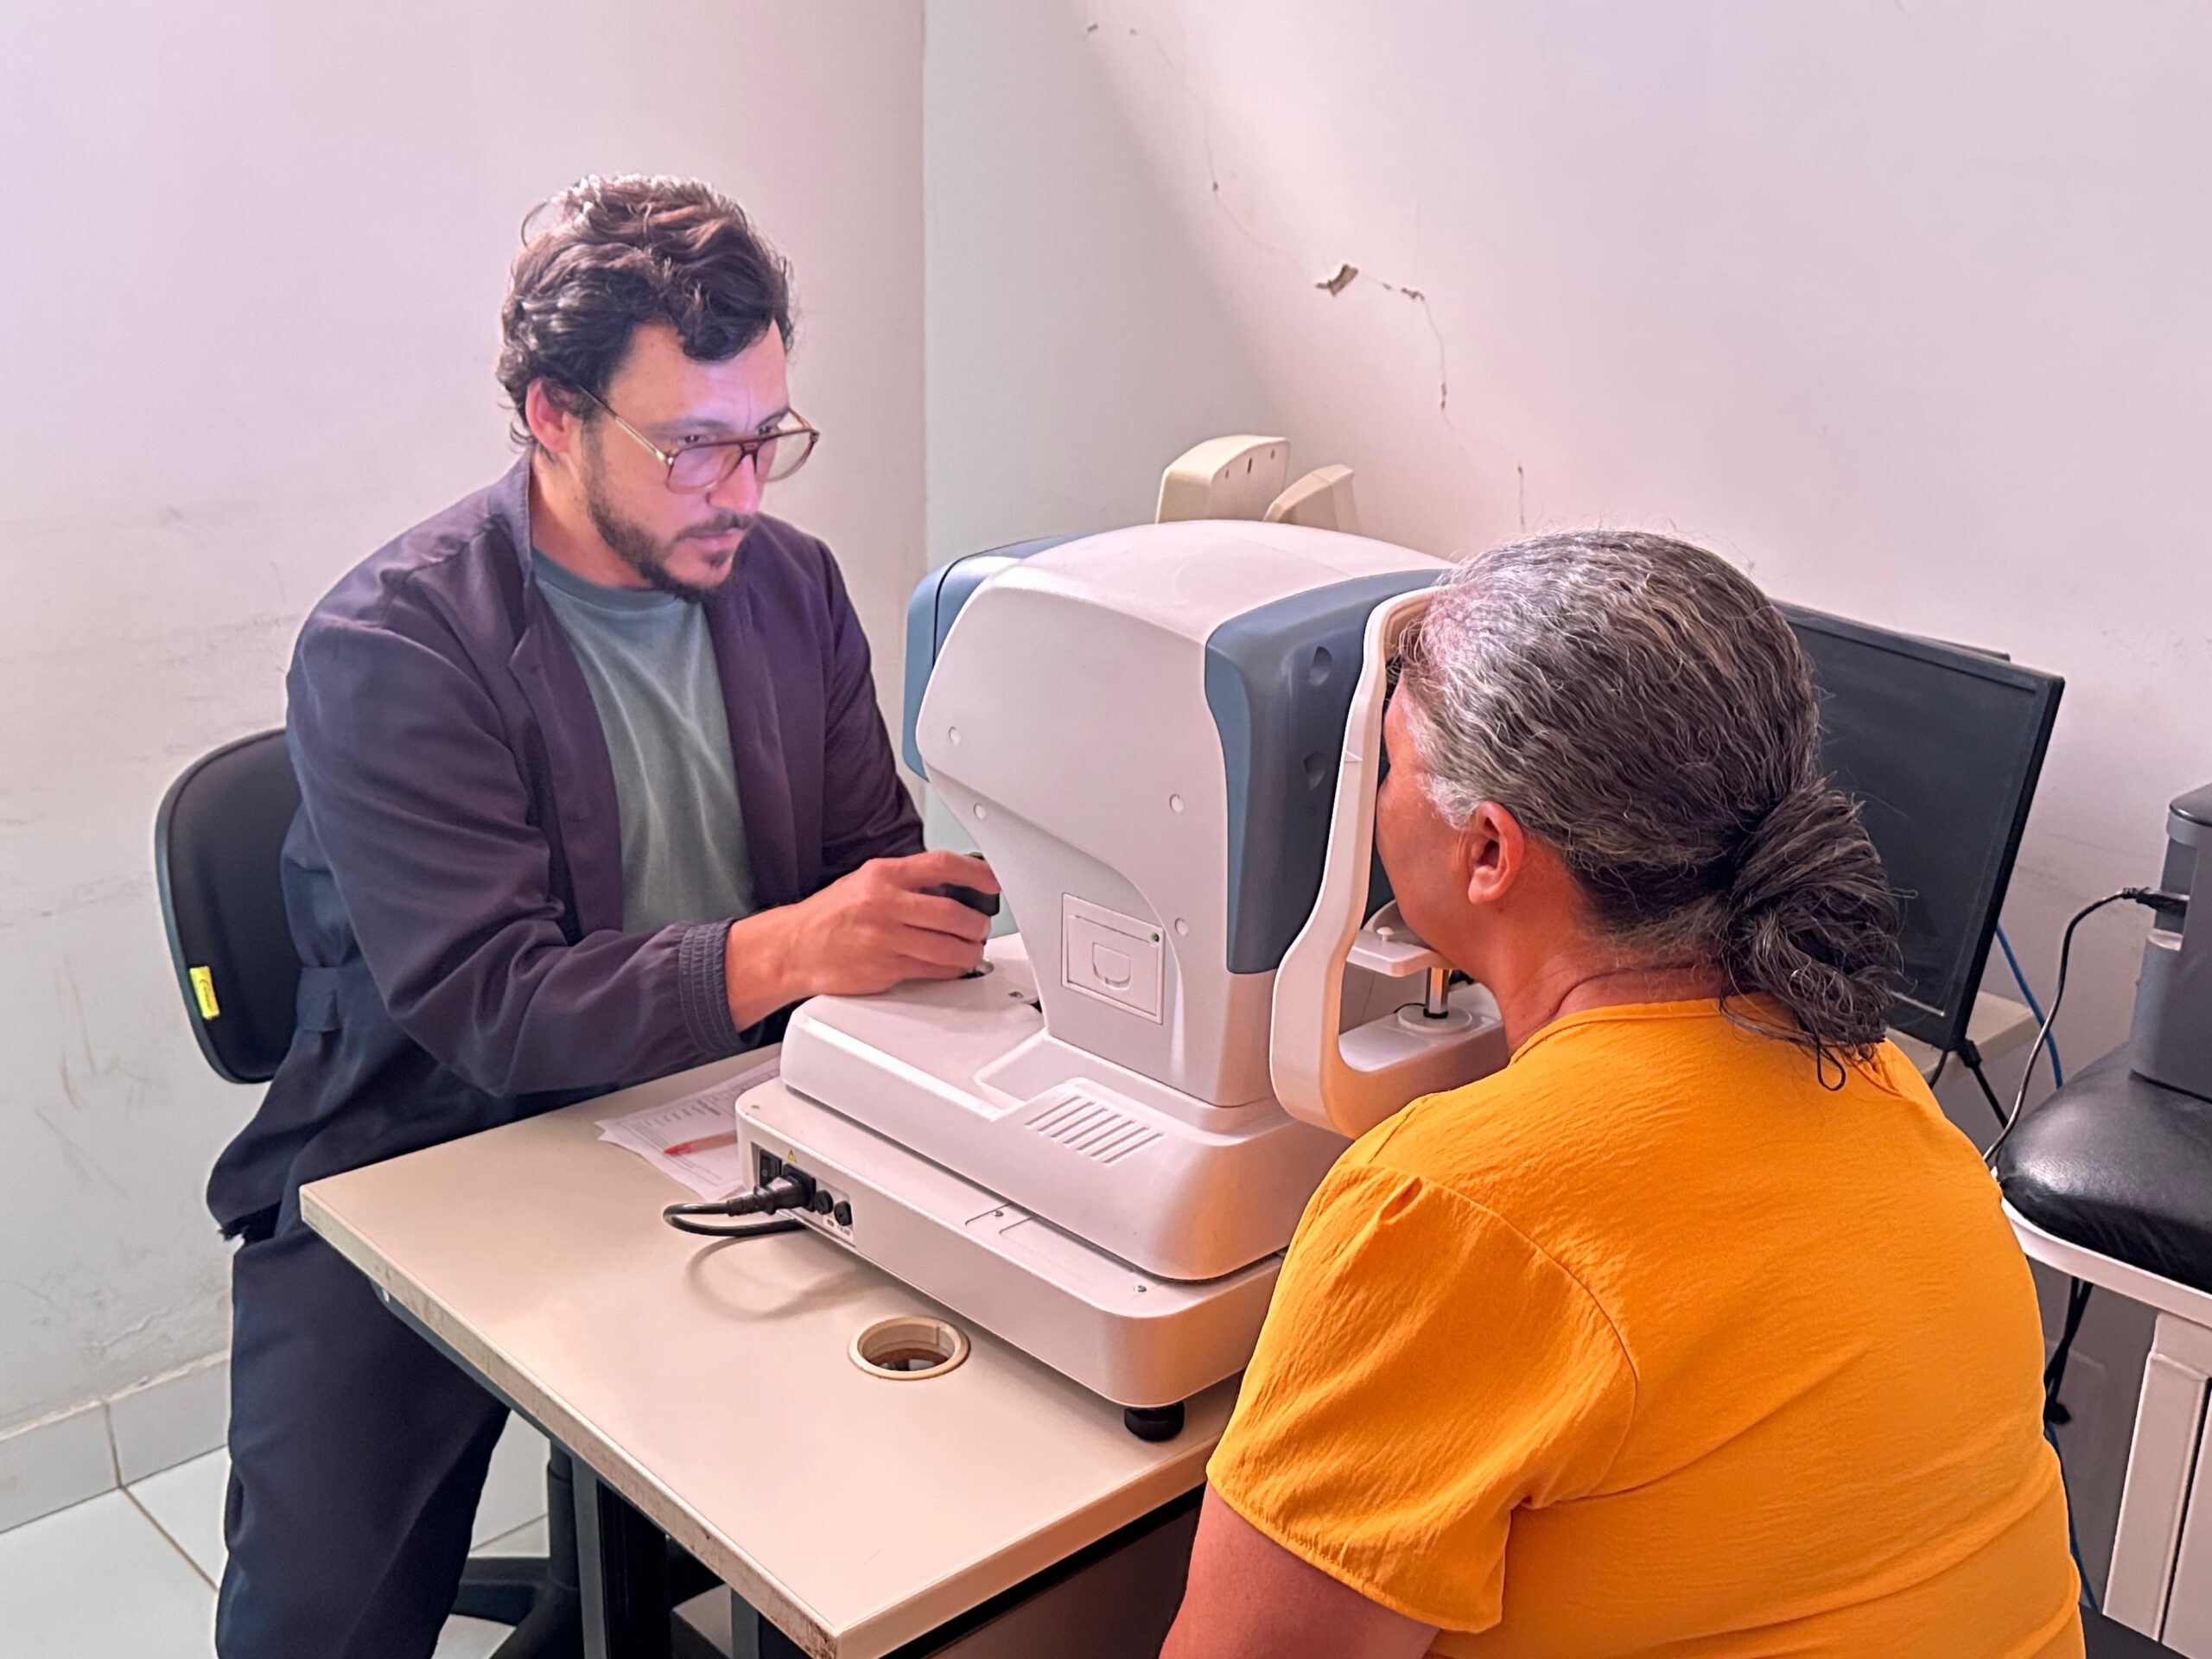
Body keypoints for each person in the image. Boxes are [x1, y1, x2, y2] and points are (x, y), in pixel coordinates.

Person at [205, 175, 995, 1659]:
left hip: (719, 1113)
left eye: (765, 438)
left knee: (921, 1507)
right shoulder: (393, 644)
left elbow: (864, 862)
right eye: (694, 447)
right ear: (552, 416)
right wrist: (792, 947)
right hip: (425, 1148)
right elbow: (495, 1005)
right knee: (319, 1621)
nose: (743, 492)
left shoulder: (792, 588)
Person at [1164, 531, 2082, 1658]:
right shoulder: (1875, 1079)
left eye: (1390, 765)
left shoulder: (1453, 1211)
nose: (1375, 797)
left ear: (1488, 852)